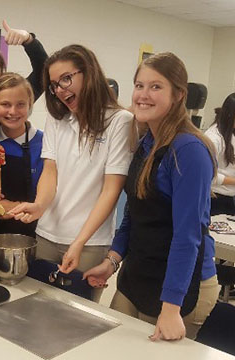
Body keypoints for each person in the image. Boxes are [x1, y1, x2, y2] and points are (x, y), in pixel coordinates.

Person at [83, 52, 220, 341]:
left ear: (178, 95)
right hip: (138, 276)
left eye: (156, 87)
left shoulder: (189, 151)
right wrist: (111, 260)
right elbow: (135, 214)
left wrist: (171, 308)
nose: (143, 95)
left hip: (180, 287)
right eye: (139, 85)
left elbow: (188, 236)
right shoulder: (145, 142)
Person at [10, 45, 134, 301]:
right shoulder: (58, 119)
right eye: (54, 84)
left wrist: (78, 242)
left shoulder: (119, 121)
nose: (60, 90)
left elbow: (111, 190)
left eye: (67, 78)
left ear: (88, 74)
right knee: (35, 308)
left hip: (89, 242)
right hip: (46, 234)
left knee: (78, 321)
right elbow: (50, 171)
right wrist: (39, 205)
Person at [0, 73, 43, 256]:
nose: (13, 111)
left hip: (29, 234)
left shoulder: (44, 143)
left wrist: (14, 206)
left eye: (20, 104)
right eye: (5, 104)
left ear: (30, 104)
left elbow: (50, 195)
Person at [205, 93, 235, 215]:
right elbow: (207, 177)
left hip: (229, 198)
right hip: (216, 201)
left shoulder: (231, 132)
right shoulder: (213, 138)